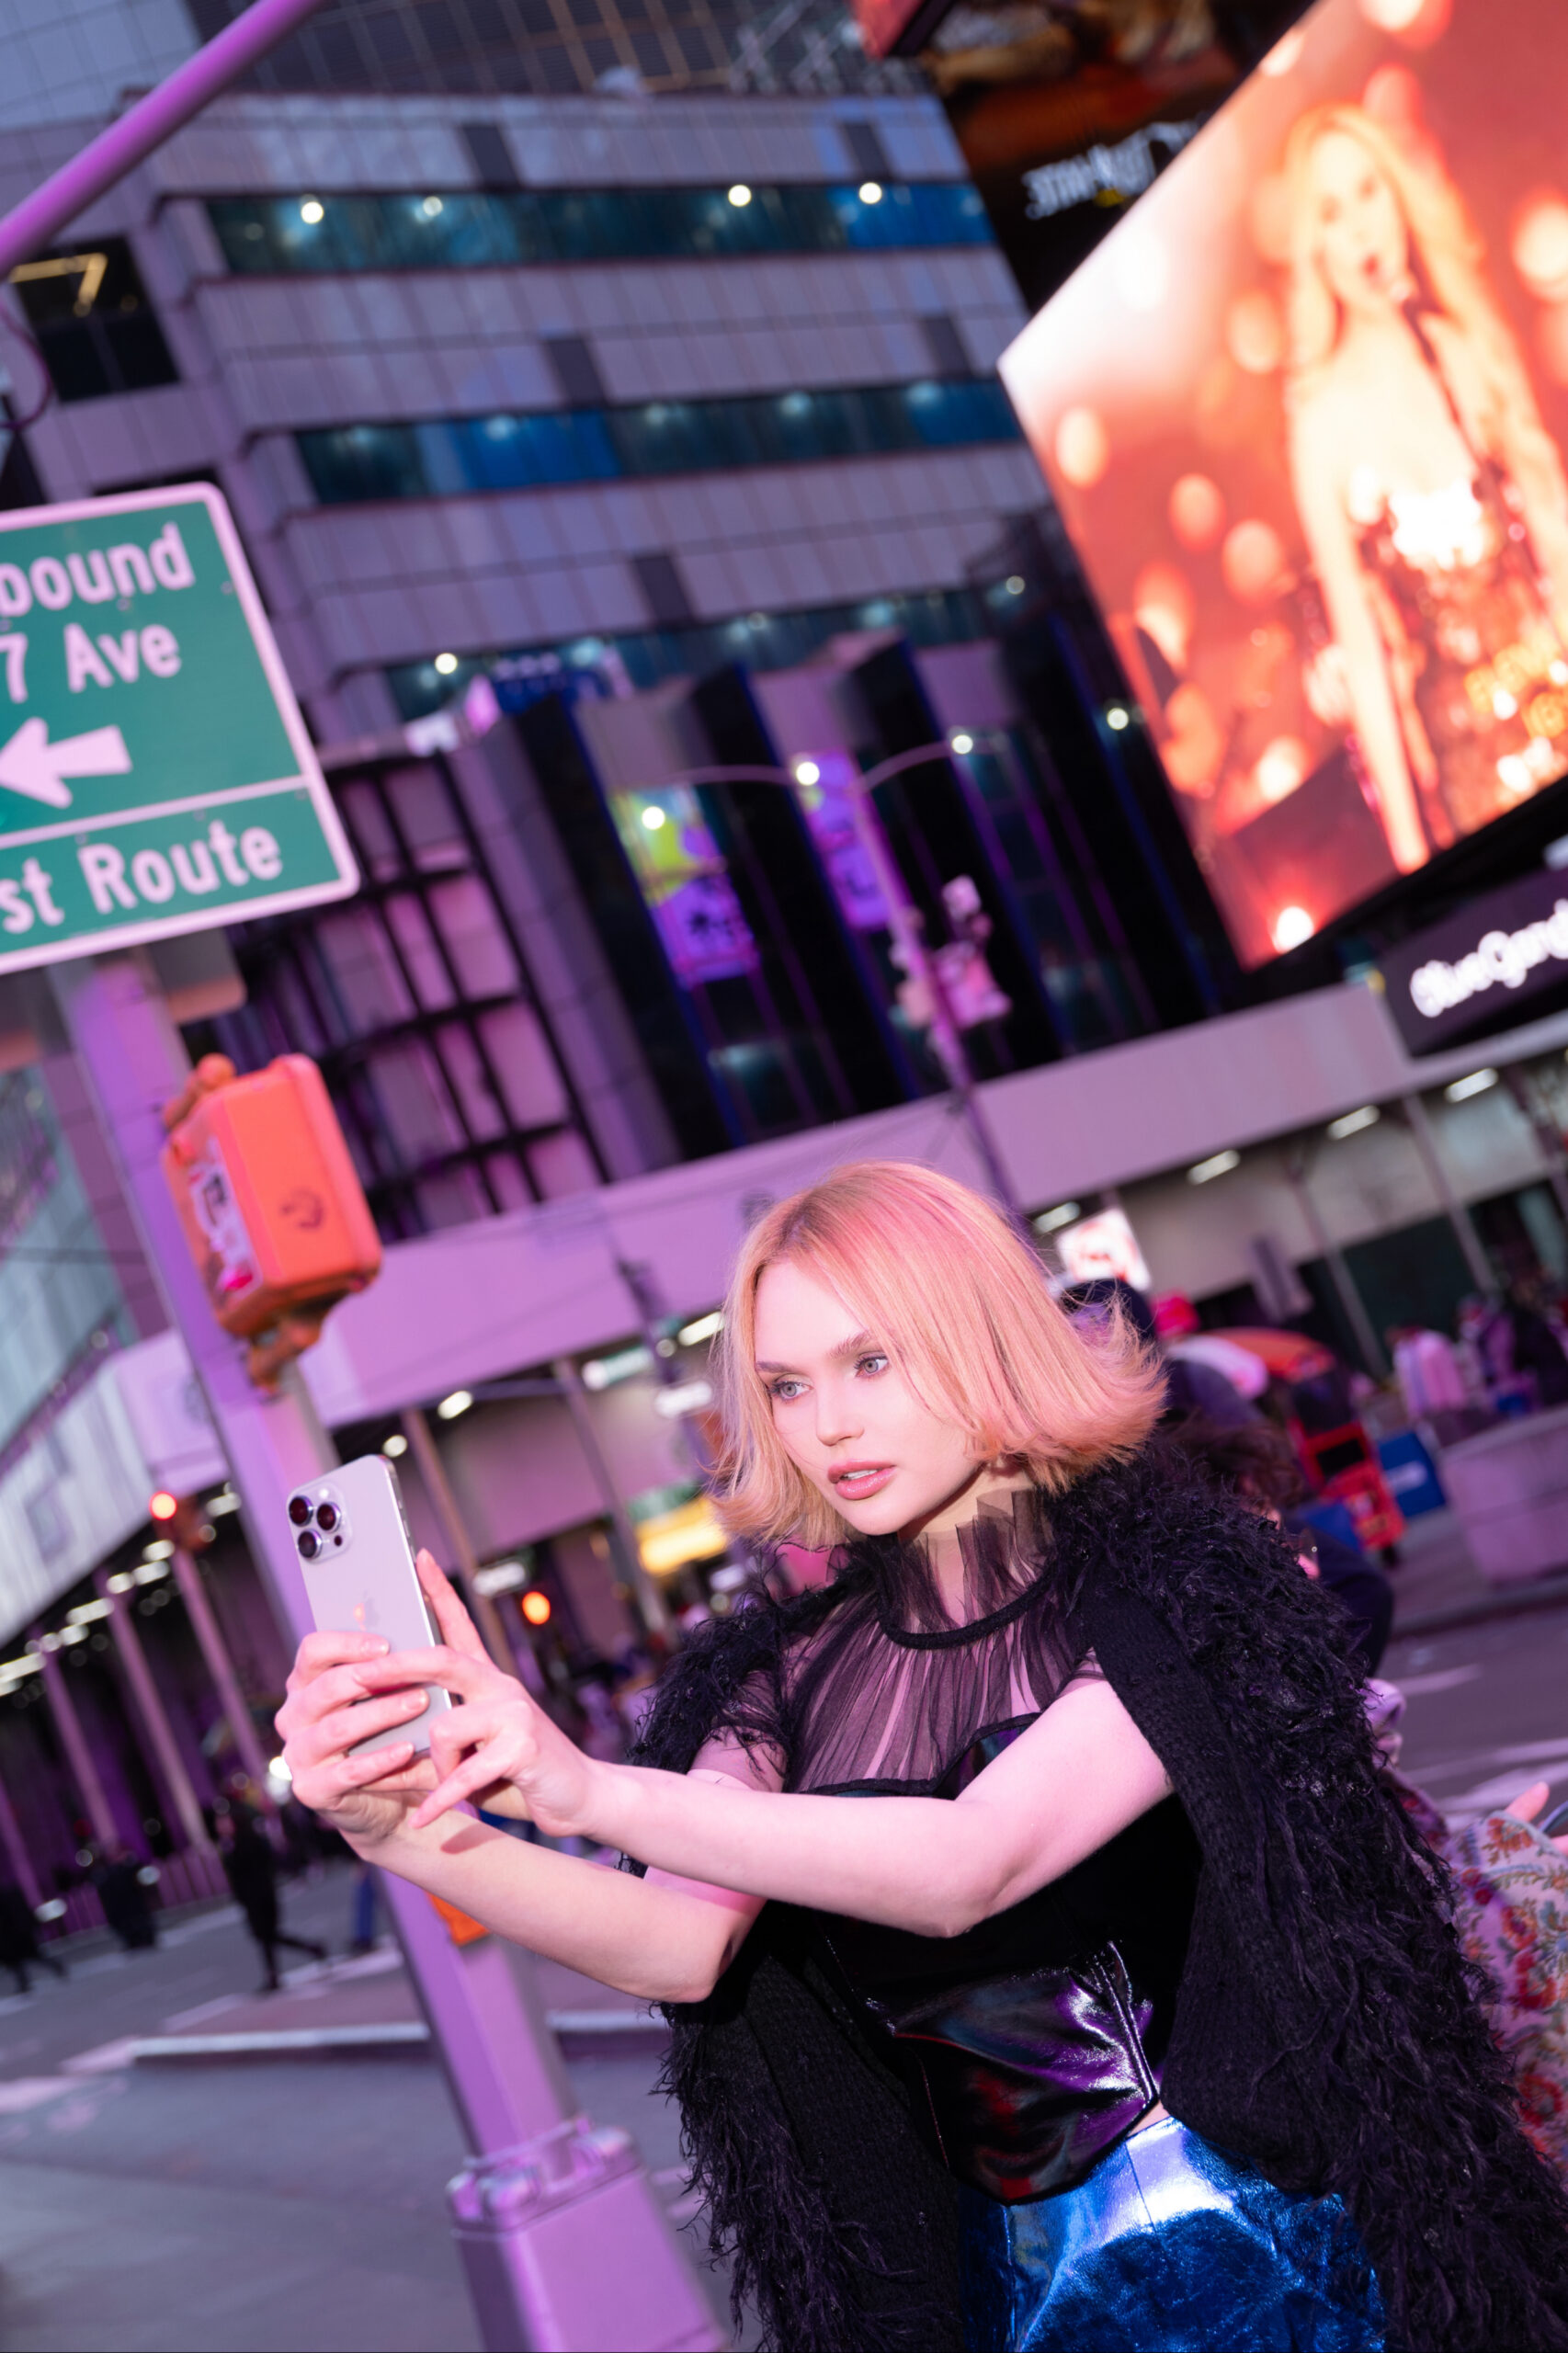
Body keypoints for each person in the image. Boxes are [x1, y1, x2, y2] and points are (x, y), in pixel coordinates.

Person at [278, 1163, 1568, 2352]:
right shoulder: (778, 1675)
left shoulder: (1175, 1588)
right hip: (1005, 2291)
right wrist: (408, 1832)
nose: (827, 1425)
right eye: (786, 1386)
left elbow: (970, 1862)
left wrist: (584, 1787)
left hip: (1283, 2252)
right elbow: (674, 1945)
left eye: (869, 1361)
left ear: (980, 1339)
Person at [1284, 104, 1568, 872]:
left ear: (1397, 197)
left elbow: (1553, 534)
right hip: (1469, 769)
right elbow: (1363, 652)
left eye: (1368, 191)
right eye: (1331, 212)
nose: (1359, 229)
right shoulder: (1319, 423)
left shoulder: (1460, 349)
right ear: (1315, 247)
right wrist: (1412, 848)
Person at [211, 1803, 326, 1992]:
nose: (220, 1826)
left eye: (224, 1822)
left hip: (261, 1896)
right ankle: (310, 1950)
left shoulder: (247, 1841)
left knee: (266, 1936)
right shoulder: (229, 1844)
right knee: (267, 1936)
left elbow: (260, 1866)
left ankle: (277, 1973)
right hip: (250, 1899)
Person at [0, 1881, 66, 1995]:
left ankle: (26, 1982)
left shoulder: (7, 1896)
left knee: (21, 1959)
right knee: (23, 1959)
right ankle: (54, 1967)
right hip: (17, 1934)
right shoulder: (11, 1893)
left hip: (13, 1935)